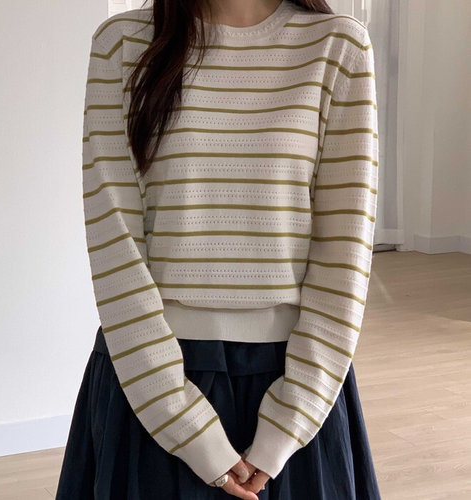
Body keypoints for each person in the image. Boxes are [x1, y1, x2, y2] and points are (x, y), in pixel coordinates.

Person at [56, 0, 382, 498]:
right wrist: (181, 420)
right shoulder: (121, 44)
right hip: (151, 379)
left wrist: (287, 425)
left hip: (298, 384)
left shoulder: (338, 46)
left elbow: (345, 253)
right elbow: (114, 244)